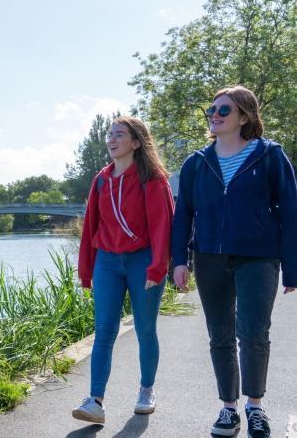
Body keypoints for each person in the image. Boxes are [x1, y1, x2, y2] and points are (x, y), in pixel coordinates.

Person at [171, 85, 296, 438]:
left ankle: (255, 407)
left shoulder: (270, 156)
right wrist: (179, 260)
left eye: (223, 110)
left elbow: (290, 212)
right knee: (220, 335)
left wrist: (293, 266)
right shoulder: (197, 162)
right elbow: (183, 216)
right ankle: (229, 409)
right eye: (211, 109)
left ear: (244, 116)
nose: (214, 115)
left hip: (258, 257)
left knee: (254, 333)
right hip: (209, 257)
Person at [73, 116, 174, 423]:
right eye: (110, 134)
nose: (112, 139)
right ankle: (95, 401)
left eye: (120, 134)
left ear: (135, 142)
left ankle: (146, 390)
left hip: (143, 261)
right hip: (107, 262)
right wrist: (86, 270)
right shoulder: (101, 179)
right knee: (104, 331)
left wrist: (157, 268)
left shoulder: (152, 179)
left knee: (145, 329)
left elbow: (162, 226)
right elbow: (91, 225)